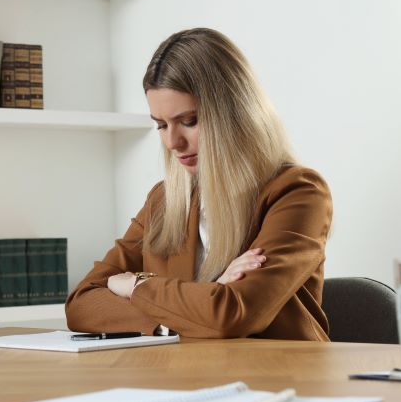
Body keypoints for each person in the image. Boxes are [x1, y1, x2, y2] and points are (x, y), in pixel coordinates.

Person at [65, 28, 332, 340]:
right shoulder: (164, 201)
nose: (173, 142)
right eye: (161, 126)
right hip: (184, 379)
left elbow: (230, 316)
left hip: (276, 380)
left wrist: (136, 286)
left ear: (234, 113)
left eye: (189, 121)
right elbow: (82, 304)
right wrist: (206, 297)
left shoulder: (298, 193)